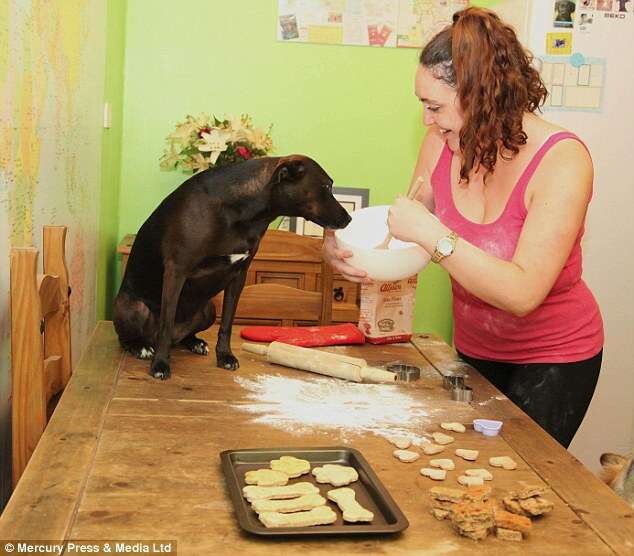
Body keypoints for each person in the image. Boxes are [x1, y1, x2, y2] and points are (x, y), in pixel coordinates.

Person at [323, 7, 603, 449]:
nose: (426, 121)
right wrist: (345, 248)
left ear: (481, 94)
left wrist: (433, 235)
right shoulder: (441, 141)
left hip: (554, 358)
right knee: (469, 467)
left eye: (434, 107)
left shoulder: (563, 161)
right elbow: (404, 237)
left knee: (519, 480)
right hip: (474, 346)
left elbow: (522, 293)